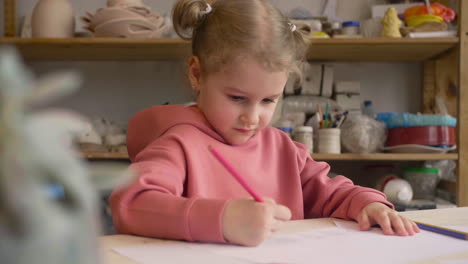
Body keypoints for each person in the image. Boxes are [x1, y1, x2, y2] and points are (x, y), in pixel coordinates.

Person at [109, 0, 420, 247]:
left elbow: (332, 192)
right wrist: (223, 220)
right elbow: (132, 203)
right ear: (196, 75)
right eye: (236, 98)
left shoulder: (283, 148)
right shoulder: (178, 145)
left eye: (269, 100)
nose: (252, 117)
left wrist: (368, 203)